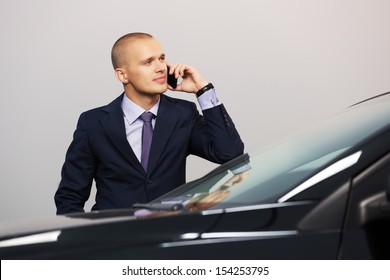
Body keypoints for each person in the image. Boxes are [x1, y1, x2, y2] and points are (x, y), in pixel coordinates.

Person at [54, 32, 244, 214]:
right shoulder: (93, 123)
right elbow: (69, 196)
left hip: (168, 235)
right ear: (123, 75)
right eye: (148, 62)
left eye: (161, 58)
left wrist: (203, 90)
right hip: (114, 237)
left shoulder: (182, 114)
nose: (160, 67)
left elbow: (230, 154)